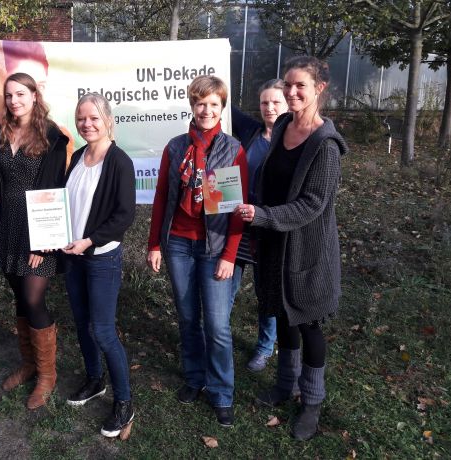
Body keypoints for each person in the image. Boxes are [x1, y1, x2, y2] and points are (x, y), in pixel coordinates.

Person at [236, 56, 347, 441]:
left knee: (307, 322)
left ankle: (312, 403)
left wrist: (262, 215)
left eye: (300, 85)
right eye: (288, 85)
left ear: (320, 88)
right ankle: (286, 385)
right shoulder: (283, 125)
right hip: (274, 243)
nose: (291, 92)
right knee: (282, 316)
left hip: (307, 250)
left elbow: (313, 204)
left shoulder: (325, 145)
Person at [146, 75, 248, 427]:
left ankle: (221, 392)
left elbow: (235, 210)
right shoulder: (176, 148)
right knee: (188, 318)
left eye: (214, 105)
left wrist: (230, 256)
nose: (206, 110)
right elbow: (162, 197)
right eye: (200, 103)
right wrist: (154, 243)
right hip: (177, 242)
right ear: (192, 105)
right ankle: (194, 377)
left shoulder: (231, 149)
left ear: (222, 109)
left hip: (215, 247)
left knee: (218, 326)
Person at [0, 72, 69, 410]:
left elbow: (53, 188)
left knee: (34, 299)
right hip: (7, 226)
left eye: (20, 94)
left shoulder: (51, 137)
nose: (14, 100)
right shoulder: (1, 132)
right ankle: (29, 363)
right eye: (9, 95)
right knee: (19, 297)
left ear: (35, 95)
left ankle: (47, 375)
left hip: (39, 232)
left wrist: (42, 241)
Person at [62, 93, 136, 438]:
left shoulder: (119, 161)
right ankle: (95, 379)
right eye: (81, 118)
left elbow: (125, 215)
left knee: (103, 330)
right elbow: (67, 204)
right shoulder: (78, 156)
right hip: (73, 256)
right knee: (81, 323)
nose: (86, 124)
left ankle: (125, 402)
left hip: (101, 257)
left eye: (93, 118)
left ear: (107, 119)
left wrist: (89, 240)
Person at [229, 79, 288, 373]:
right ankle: (218, 339)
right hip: (240, 224)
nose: (270, 108)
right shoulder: (252, 131)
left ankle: (265, 347)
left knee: (267, 293)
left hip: (269, 227)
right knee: (226, 284)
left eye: (276, 102)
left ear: (287, 104)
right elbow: (222, 101)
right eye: (265, 102)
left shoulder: (292, 139)